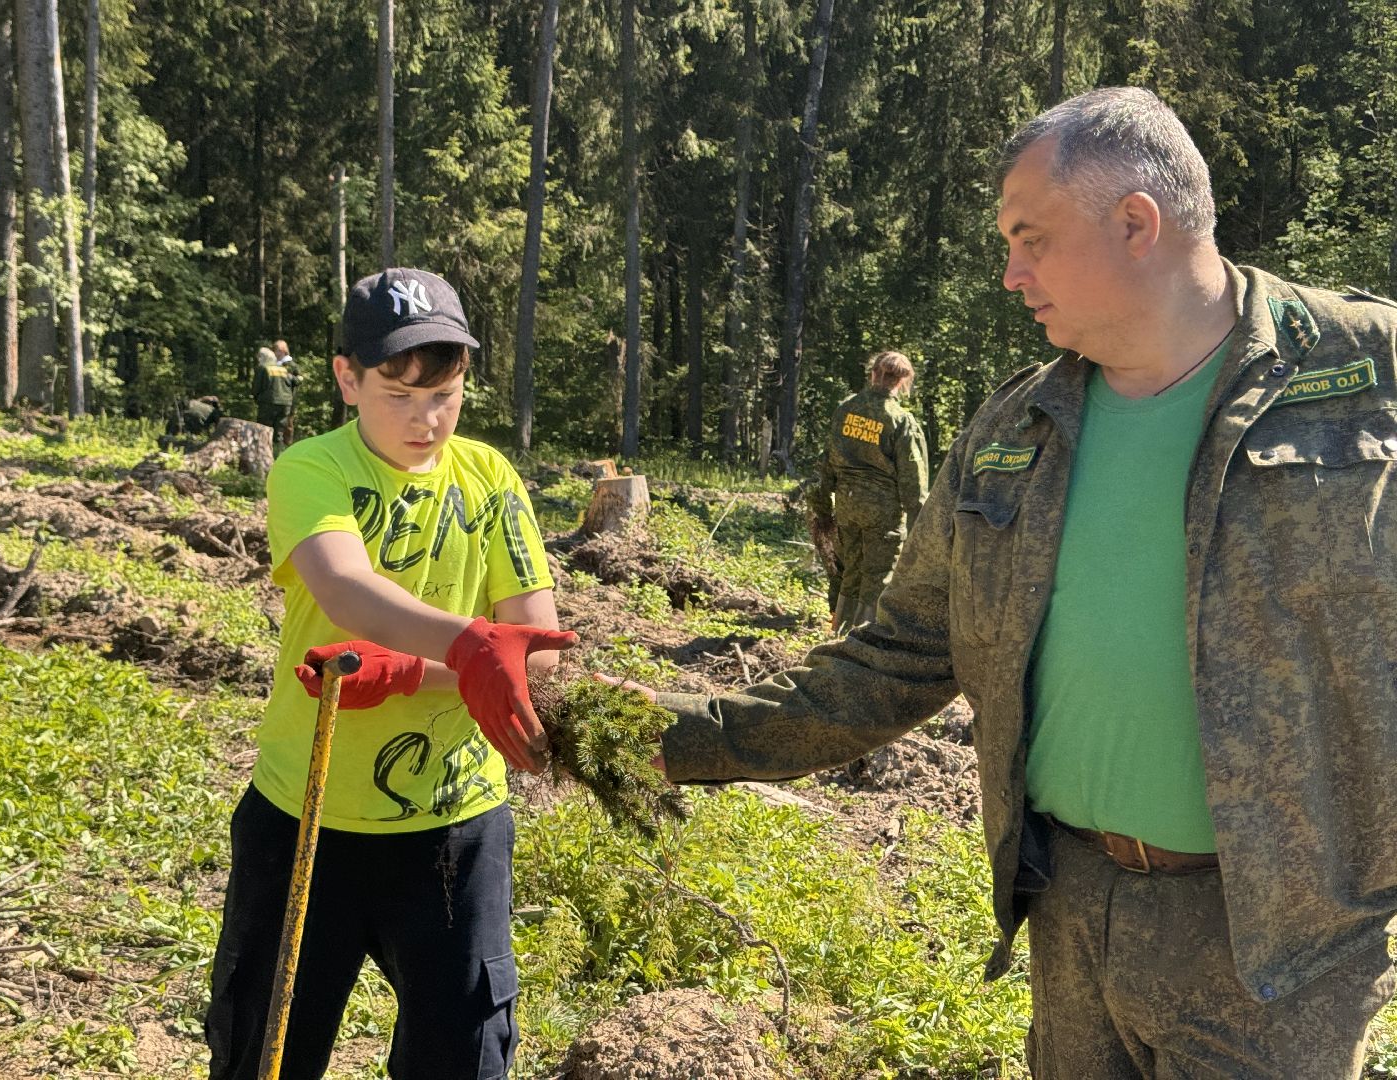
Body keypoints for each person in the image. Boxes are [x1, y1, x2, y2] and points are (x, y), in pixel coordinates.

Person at [610, 87, 1397, 1078]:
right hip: (1069, 912)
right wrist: (658, 733)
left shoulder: (1367, 372)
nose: (1010, 274)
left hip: (1282, 951)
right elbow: (897, 656)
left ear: (1135, 224)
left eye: (1031, 239)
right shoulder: (1015, 430)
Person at [205, 267, 577, 1080]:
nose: (425, 420)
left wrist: (415, 673)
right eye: (397, 393)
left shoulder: (490, 480)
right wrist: (465, 650)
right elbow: (345, 586)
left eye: (444, 394)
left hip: (455, 835)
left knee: (463, 1056)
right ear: (346, 378)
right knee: (262, 1054)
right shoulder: (312, 469)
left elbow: (531, 648)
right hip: (305, 818)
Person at [813, 350, 928, 632]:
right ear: (902, 381)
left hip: (847, 506)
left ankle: (839, 631)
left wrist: (822, 508)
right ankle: (863, 641)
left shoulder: (845, 409)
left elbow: (827, 462)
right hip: (882, 511)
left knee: (851, 570)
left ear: (873, 373)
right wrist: (921, 529)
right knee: (878, 576)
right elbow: (912, 480)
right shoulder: (900, 420)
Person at [252, 340, 300, 453]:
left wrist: (257, 399)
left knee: (263, 430)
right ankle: (278, 455)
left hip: (269, 402)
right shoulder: (283, 369)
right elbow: (294, 382)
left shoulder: (263, 369)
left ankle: (262, 455)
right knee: (279, 433)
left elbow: (256, 387)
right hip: (285, 403)